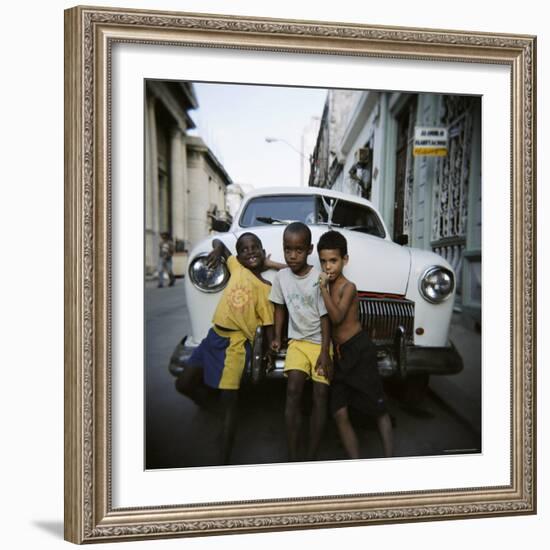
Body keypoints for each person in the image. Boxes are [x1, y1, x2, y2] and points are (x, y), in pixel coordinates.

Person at [175, 232, 285, 464]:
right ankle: (218, 413)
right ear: (239, 256)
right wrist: (216, 252)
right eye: (244, 249)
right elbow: (219, 243)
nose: (250, 251)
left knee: (230, 402)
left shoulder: (265, 288)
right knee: (183, 383)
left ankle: (224, 454)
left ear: (263, 253)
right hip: (213, 337)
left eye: (255, 248)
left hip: (235, 346)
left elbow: (267, 324)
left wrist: (268, 347)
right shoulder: (235, 266)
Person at [316, 230, 393, 458]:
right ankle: (356, 465)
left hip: (359, 350)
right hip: (340, 354)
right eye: (323, 261)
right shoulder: (327, 285)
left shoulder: (347, 287)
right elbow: (295, 269)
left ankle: (391, 460)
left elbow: (337, 317)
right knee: (339, 412)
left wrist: (322, 289)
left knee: (377, 408)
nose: (328, 267)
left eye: (333, 261)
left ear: (345, 260)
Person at [270, 222, 332, 461]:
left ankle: (312, 452)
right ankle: (294, 452)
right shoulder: (282, 277)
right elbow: (279, 309)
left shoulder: (318, 278)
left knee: (320, 393)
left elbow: (326, 317)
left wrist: (325, 352)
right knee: (293, 389)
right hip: (297, 342)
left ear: (309, 250)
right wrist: (276, 337)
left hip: (320, 343)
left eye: (298, 249)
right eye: (287, 249)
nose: (292, 255)